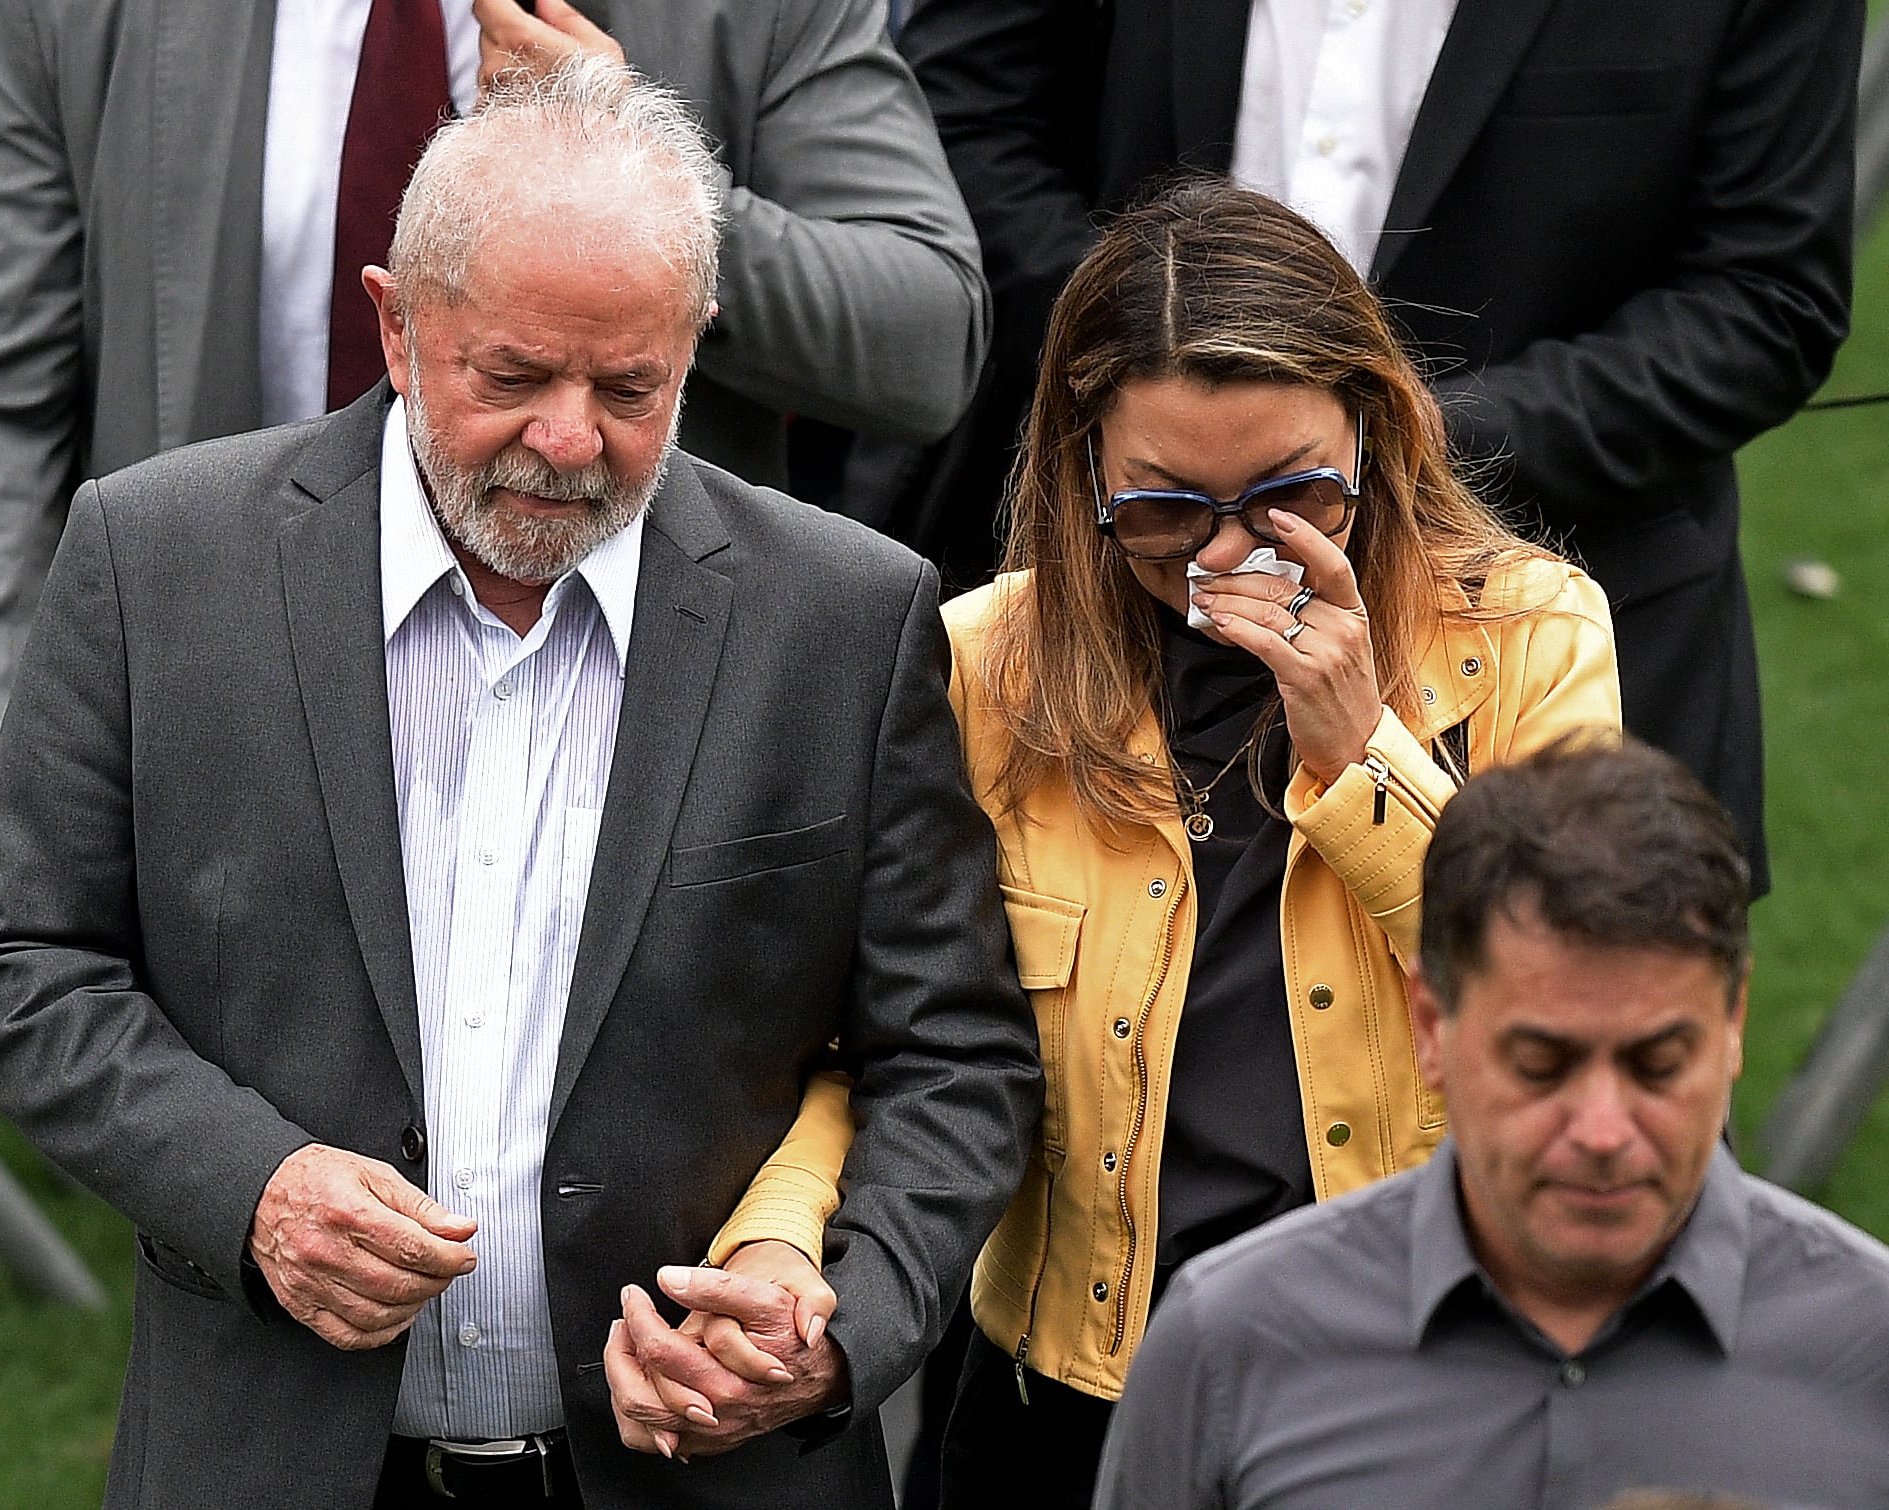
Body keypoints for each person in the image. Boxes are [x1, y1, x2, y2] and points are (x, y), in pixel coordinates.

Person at [0, 57, 1040, 1509]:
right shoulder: (159, 563)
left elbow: (955, 1055)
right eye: (511, 376)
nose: (570, 440)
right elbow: (17, 956)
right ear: (396, 325)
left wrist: (833, 1331)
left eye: (630, 387)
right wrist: (249, 1189)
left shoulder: (845, 614)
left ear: (696, 345)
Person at [618, 180, 1622, 1502]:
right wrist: (781, 1251)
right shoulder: (984, 665)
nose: (1224, 554)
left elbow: (1580, 997)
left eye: (1290, 496)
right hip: (1062, 1406)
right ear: (1086, 462)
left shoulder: (1532, 638)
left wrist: (1361, 757)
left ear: (1376, 433)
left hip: (1406, 1403)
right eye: (1163, 509)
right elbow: (879, 1040)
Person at [0, 0, 990, 985]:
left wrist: (627, 177)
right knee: (213, 1183)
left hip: (615, 761)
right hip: (220, 744)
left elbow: (928, 336)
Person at [882, 0, 1861, 896]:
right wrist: (1143, 361)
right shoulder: (990, 655)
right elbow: (964, 118)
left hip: (1544, 642)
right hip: (1099, 628)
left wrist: (1398, 441)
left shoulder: (1554, 638)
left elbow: (1763, 295)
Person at [1094, 733, 1889, 1509]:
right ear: (1433, 1028)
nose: (1603, 1131)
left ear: (1734, 1023)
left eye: (1658, 1065)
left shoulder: (1872, 1354)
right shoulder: (1229, 1347)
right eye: (1541, 1065)